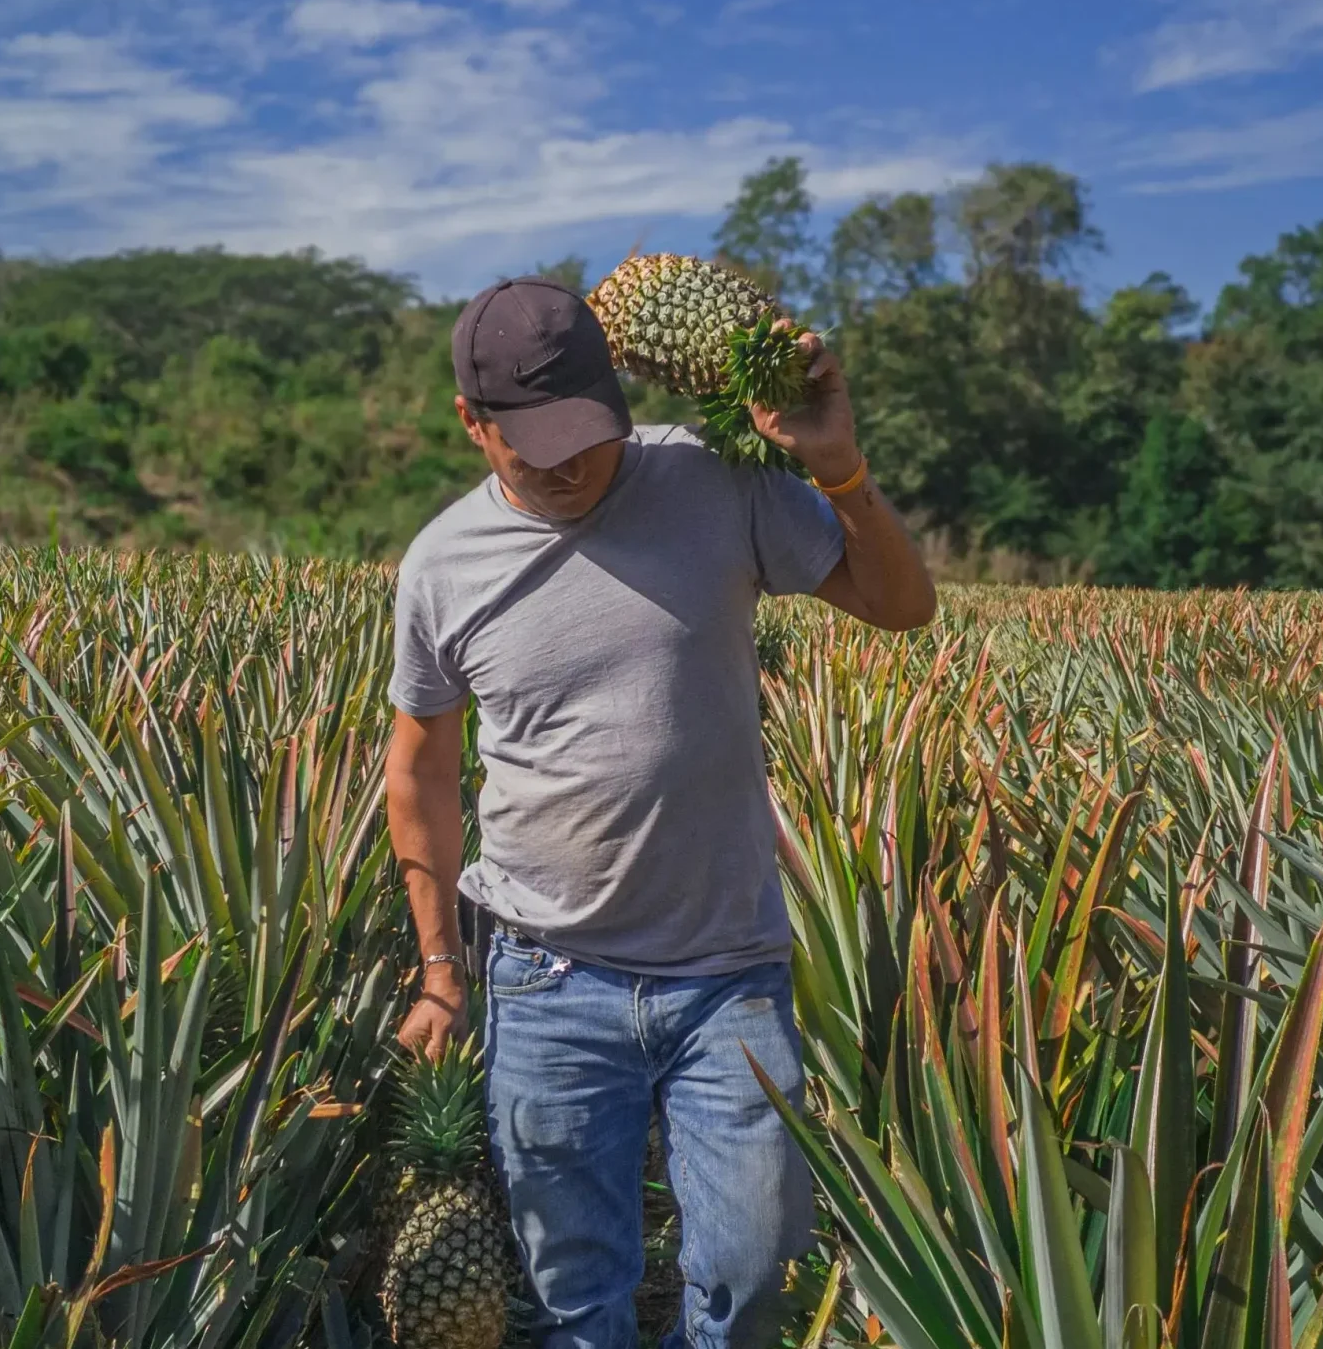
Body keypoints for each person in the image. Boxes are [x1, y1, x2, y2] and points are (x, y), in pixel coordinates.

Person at [387, 274, 935, 1349]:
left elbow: (900, 606)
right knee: (573, 1292)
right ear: (472, 421)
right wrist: (441, 970)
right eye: (528, 445)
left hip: (727, 966)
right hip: (546, 975)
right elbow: (420, 773)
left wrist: (840, 470)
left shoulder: (714, 480)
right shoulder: (441, 566)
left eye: (587, 435)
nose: (566, 466)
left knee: (754, 1266)